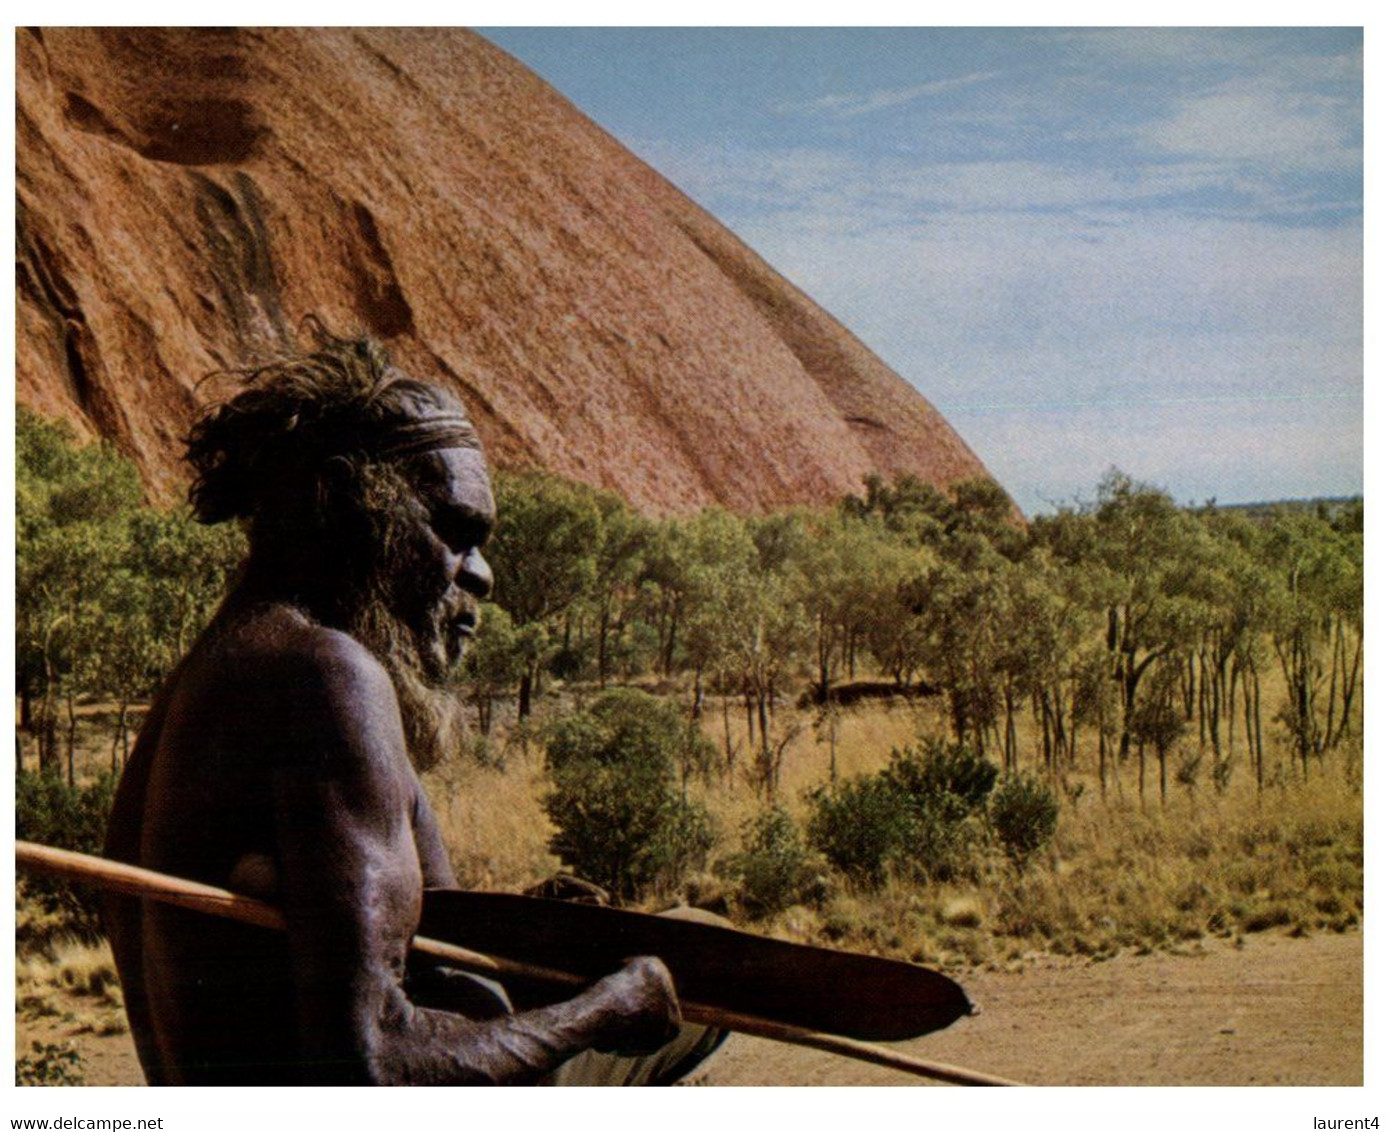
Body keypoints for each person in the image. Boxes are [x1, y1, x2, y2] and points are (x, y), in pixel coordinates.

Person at [102, 331, 722, 1085]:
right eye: (455, 533)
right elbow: (372, 1064)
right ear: (351, 507)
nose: (483, 577)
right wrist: (607, 1009)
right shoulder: (324, 674)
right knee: (704, 976)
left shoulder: (202, 683)